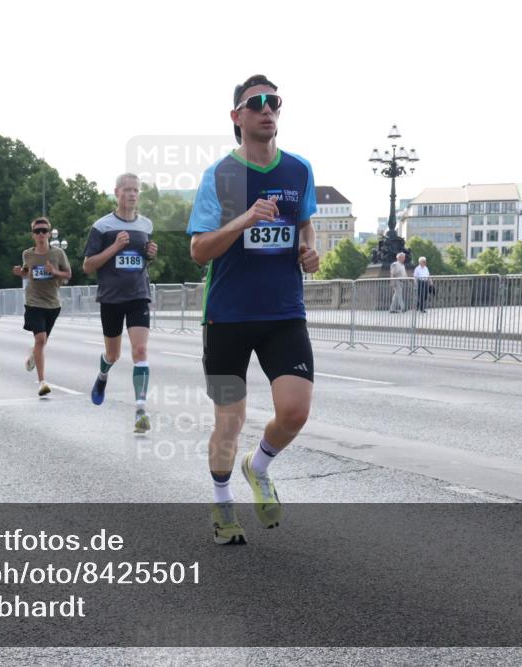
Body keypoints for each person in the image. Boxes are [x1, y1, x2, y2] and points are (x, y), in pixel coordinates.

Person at [187, 74, 319, 545]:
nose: (267, 109)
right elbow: (199, 251)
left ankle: (257, 466)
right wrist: (243, 219)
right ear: (237, 117)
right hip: (227, 316)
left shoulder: (299, 170)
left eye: (273, 102)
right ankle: (223, 506)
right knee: (230, 420)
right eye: (255, 102)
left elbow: (304, 224)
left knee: (295, 412)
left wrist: (309, 250)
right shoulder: (220, 176)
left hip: (284, 313)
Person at [82, 173, 158, 433]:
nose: (132, 194)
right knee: (113, 354)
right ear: (116, 193)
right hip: (111, 298)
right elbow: (88, 265)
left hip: (138, 295)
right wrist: (114, 247)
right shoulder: (102, 227)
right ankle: (102, 376)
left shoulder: (146, 225)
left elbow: (141, 260)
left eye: (136, 190)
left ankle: (140, 411)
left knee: (140, 352)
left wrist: (150, 255)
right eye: (127, 190)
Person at [12, 217, 72, 397]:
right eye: (37, 231)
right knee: (40, 339)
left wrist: (54, 272)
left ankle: (33, 355)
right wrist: (20, 273)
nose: (41, 234)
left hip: (53, 303)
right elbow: (26, 271)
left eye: (44, 231)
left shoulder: (58, 254)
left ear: (49, 232)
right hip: (33, 302)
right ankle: (42, 382)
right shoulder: (27, 254)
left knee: (42, 342)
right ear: (33, 235)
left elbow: (68, 274)